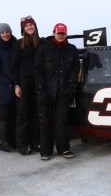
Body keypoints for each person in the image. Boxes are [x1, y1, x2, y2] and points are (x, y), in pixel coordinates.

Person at [33, 23, 80, 160]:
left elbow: (75, 70)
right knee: (45, 122)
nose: (60, 35)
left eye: (63, 33)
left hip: (63, 93)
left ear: (66, 34)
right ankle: (46, 151)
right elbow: (37, 71)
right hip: (45, 92)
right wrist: (41, 89)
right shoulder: (43, 49)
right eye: (58, 33)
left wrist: (71, 88)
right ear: (54, 33)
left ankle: (63, 149)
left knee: (62, 122)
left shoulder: (72, 49)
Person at [11, 15, 45, 155]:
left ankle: (34, 142)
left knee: (36, 114)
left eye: (31, 25)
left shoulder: (42, 43)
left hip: (39, 82)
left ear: (35, 26)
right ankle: (22, 145)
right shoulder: (19, 44)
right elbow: (14, 67)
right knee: (23, 114)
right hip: (24, 82)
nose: (29, 27)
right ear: (23, 29)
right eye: (26, 26)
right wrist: (16, 85)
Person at [0, 23, 17, 152]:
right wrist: (7, 82)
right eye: (3, 32)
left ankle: (14, 141)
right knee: (5, 116)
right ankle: (5, 143)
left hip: (17, 85)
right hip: (3, 87)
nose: (5, 34)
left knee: (15, 115)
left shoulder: (15, 45)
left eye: (7, 32)